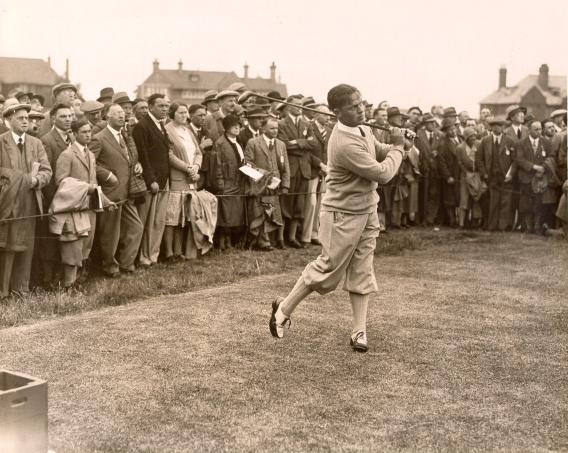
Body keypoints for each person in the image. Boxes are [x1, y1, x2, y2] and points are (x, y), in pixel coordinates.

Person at [269, 84, 406, 353]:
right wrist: (400, 149)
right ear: (337, 112)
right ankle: (282, 310)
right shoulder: (342, 142)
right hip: (341, 214)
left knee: (362, 271)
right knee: (327, 270)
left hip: (366, 211)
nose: (361, 109)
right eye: (353, 107)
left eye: (362, 103)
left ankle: (358, 332)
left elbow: (378, 149)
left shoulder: (362, 128)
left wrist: (399, 143)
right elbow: (382, 173)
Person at [0, 103, 52, 295]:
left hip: (30, 201)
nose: (25, 122)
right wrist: (20, 178)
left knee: (27, 247)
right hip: (8, 203)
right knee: (7, 246)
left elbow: (47, 170)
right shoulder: (1, 142)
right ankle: (3, 292)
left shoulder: (35, 143)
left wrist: (37, 180)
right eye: (20, 118)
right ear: (9, 121)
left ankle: (21, 290)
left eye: (26, 118)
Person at [51, 119, 109, 288]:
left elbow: (94, 182)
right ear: (74, 134)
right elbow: (61, 182)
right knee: (72, 247)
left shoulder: (90, 154)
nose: (88, 135)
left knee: (86, 247)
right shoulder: (67, 155)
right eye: (83, 132)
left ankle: (78, 282)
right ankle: (68, 284)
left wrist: (106, 201)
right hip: (73, 209)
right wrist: (85, 188)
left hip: (89, 208)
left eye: (89, 131)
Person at [89, 104, 144, 276]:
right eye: (117, 114)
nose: (122, 116)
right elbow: (90, 163)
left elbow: (130, 159)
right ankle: (110, 267)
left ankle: (127, 264)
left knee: (136, 227)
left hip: (127, 192)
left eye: (123, 113)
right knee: (110, 234)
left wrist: (138, 165)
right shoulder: (99, 138)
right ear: (107, 118)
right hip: (110, 194)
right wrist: (106, 175)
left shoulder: (125, 136)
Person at [277, 95, 322, 248]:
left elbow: (314, 144)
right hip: (289, 168)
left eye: (301, 105)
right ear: (288, 106)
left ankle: (292, 237)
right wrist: (303, 144)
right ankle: (281, 238)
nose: (299, 107)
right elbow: (283, 145)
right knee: (285, 203)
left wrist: (296, 142)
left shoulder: (305, 123)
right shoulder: (281, 123)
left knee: (299, 204)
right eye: (296, 105)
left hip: (304, 169)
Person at [132, 93, 171, 267]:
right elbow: (143, 155)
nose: (164, 109)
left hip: (163, 180)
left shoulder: (161, 126)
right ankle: (143, 257)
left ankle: (152, 255)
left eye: (166, 106)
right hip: (152, 182)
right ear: (151, 107)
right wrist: (151, 179)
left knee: (158, 220)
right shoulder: (142, 126)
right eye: (161, 106)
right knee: (146, 220)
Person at [39, 102, 75, 286]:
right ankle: (48, 279)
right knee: (51, 241)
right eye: (63, 116)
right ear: (53, 119)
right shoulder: (47, 140)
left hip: (72, 200)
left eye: (70, 116)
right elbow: (47, 174)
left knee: (68, 238)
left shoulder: (73, 138)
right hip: (54, 199)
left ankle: (64, 277)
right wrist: (56, 200)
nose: (68, 119)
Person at [163, 103, 202, 261]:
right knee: (172, 218)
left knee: (184, 218)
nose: (184, 115)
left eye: (186, 112)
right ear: (172, 114)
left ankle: (179, 251)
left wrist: (196, 167)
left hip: (191, 179)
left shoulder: (188, 131)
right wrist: (187, 168)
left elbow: (198, 152)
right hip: (177, 178)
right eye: (180, 112)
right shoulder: (167, 130)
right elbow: (169, 155)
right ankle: (168, 252)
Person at [244, 117, 290, 250]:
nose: (275, 131)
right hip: (259, 186)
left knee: (271, 212)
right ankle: (254, 241)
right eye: (272, 128)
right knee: (258, 213)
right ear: (263, 129)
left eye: (276, 128)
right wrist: (264, 178)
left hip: (275, 187)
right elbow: (248, 165)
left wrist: (285, 185)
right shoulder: (253, 143)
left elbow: (285, 166)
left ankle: (265, 241)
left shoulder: (281, 145)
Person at [477, 116, 517, 231]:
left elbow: (515, 161)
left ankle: (503, 226)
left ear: (503, 127)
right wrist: (484, 174)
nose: (497, 128)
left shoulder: (509, 141)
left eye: (500, 126)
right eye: (494, 126)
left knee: (506, 202)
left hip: (506, 177)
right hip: (491, 177)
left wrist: (510, 174)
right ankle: (492, 225)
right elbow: (479, 159)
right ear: (491, 127)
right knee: (493, 201)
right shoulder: (485, 141)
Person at [214, 114, 247, 249]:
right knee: (225, 213)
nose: (237, 128)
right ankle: (222, 241)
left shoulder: (238, 143)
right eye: (234, 126)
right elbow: (217, 164)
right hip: (226, 182)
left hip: (237, 182)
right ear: (226, 128)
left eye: (238, 126)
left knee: (235, 213)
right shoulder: (220, 143)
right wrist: (220, 181)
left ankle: (230, 241)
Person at [516, 119, 552, 234]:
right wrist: (534, 167)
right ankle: (527, 227)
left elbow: (550, 157)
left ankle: (537, 227)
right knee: (526, 203)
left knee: (538, 203)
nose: (539, 131)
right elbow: (519, 160)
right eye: (535, 129)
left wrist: (544, 168)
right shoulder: (521, 143)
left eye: (540, 129)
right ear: (529, 130)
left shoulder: (546, 142)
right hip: (526, 178)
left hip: (540, 179)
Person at [306, 105, 331, 245]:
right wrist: (320, 164)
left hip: (326, 171)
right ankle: (306, 234)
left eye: (329, 115)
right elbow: (307, 151)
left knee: (323, 203)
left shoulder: (329, 131)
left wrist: (327, 165)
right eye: (325, 114)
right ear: (316, 114)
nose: (328, 117)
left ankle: (317, 233)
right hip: (312, 170)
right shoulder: (309, 128)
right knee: (311, 202)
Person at [415, 113, 441, 226]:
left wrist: (437, 153)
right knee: (423, 195)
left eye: (433, 122)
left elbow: (441, 150)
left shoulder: (438, 135)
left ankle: (431, 218)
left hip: (435, 171)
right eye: (430, 122)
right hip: (424, 170)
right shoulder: (418, 135)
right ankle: (423, 219)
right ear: (425, 124)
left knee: (433, 194)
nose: (433, 124)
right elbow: (415, 152)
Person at [456, 127, 483, 228]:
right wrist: (466, 173)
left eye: (474, 135)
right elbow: (459, 162)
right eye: (471, 136)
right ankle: (462, 223)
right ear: (466, 138)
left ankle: (475, 221)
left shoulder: (479, 145)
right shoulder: (460, 148)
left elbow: (481, 160)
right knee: (464, 199)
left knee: (476, 198)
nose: (473, 138)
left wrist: (478, 172)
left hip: (477, 175)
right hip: (465, 176)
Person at [438, 117, 462, 227]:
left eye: (454, 128)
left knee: (460, 198)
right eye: (449, 130)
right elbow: (441, 162)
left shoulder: (462, 140)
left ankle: (460, 219)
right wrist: (447, 176)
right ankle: (452, 220)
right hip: (451, 175)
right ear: (446, 131)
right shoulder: (443, 144)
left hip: (461, 175)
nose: (452, 131)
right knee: (450, 199)